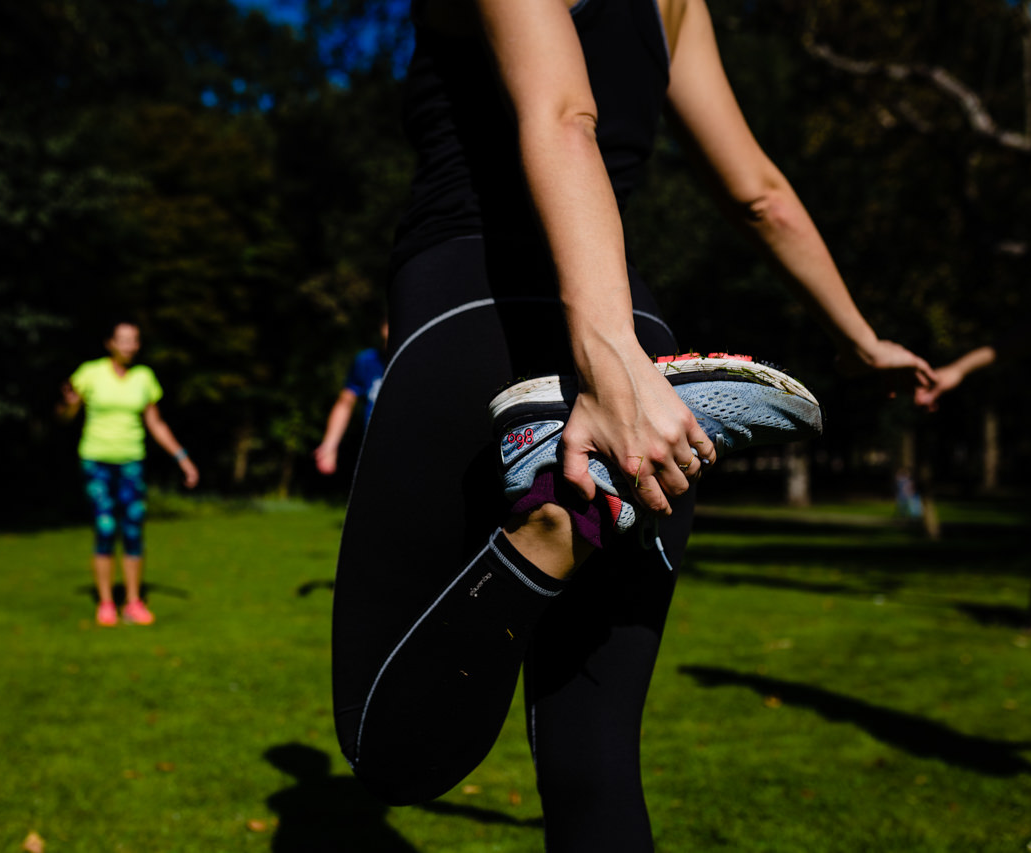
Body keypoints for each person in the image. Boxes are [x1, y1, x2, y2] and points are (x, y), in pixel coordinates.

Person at [330, 0, 935, 849]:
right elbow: (760, 194)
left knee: (387, 750)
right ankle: (576, 503)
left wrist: (606, 369)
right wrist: (862, 342)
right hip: (645, 356)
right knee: (596, 761)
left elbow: (561, 112)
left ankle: (542, 532)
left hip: (477, 317)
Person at [59, 321, 199, 627]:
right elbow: (66, 414)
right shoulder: (89, 373)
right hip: (96, 461)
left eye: (134, 341)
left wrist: (182, 459)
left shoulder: (144, 378)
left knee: (133, 530)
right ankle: (107, 602)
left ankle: (133, 602)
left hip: (131, 462)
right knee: (106, 527)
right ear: (110, 343)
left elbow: (156, 424)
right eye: (123, 340)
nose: (129, 346)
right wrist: (68, 405)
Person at [313, 320, 389, 477]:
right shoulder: (367, 361)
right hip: (374, 451)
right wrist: (330, 445)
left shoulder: (422, 363)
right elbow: (345, 403)